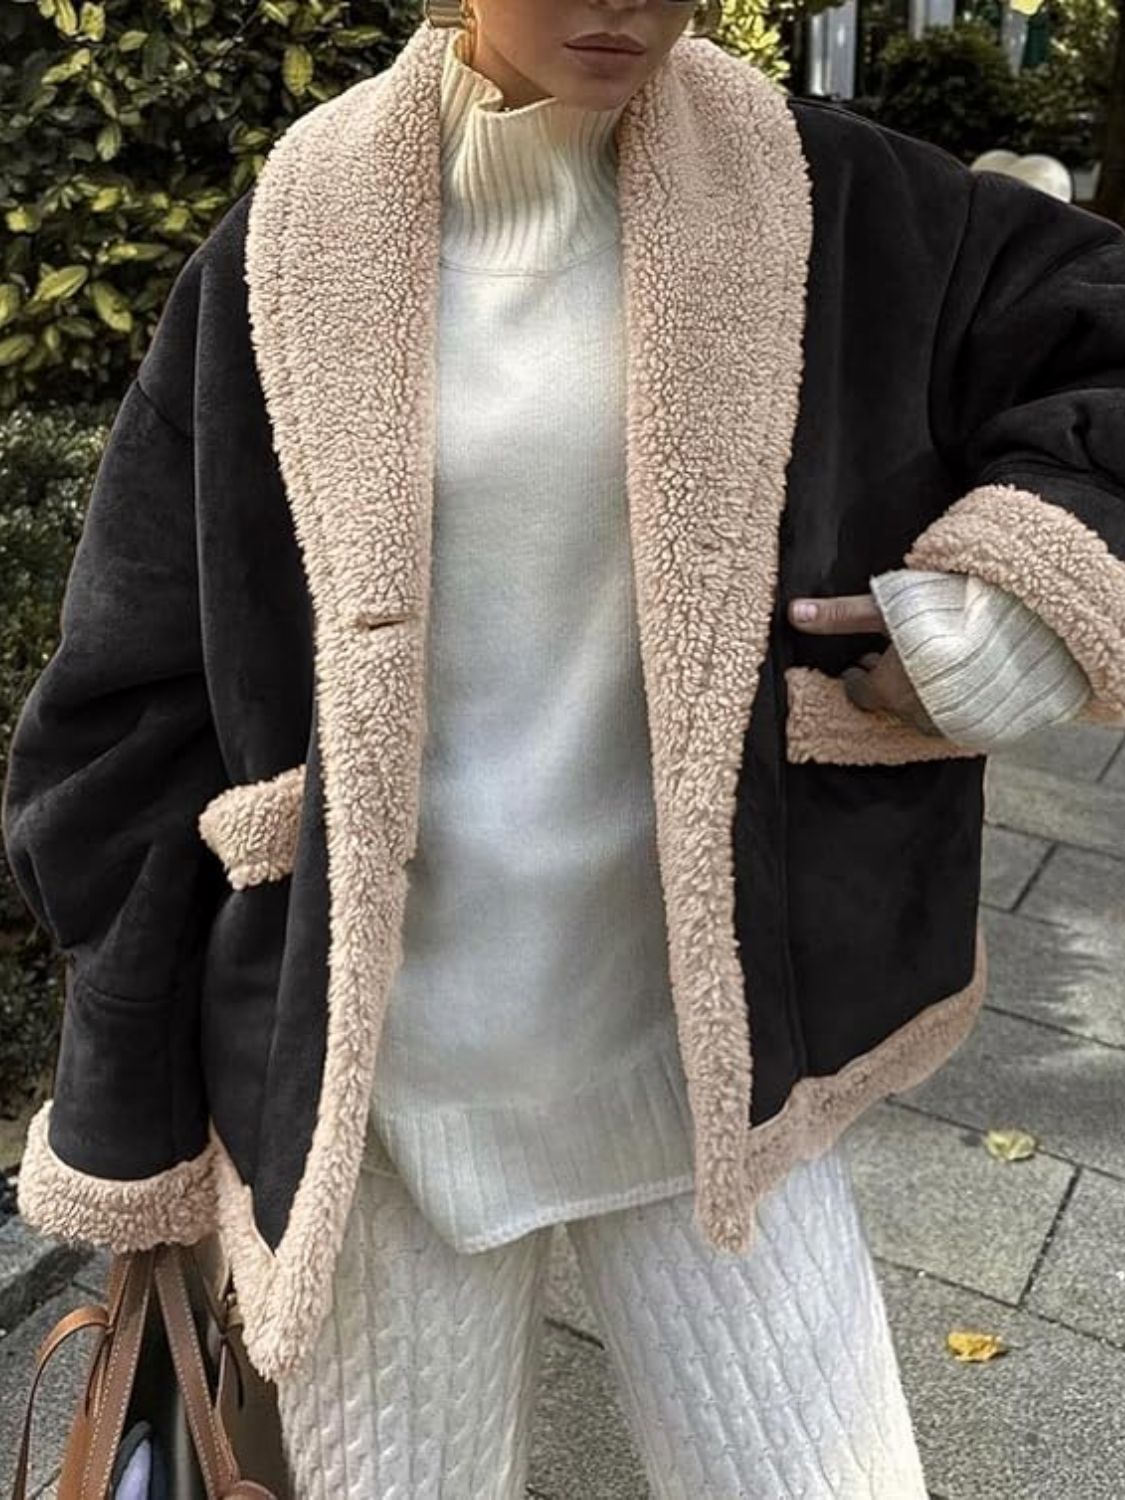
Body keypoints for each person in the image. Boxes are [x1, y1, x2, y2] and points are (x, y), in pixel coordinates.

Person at [4, 0, 1125, 1495]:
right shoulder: (287, 243)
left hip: (710, 1063)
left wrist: (1010, 616)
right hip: (378, 1101)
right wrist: (138, 1100)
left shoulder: (843, 201)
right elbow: (125, 720)